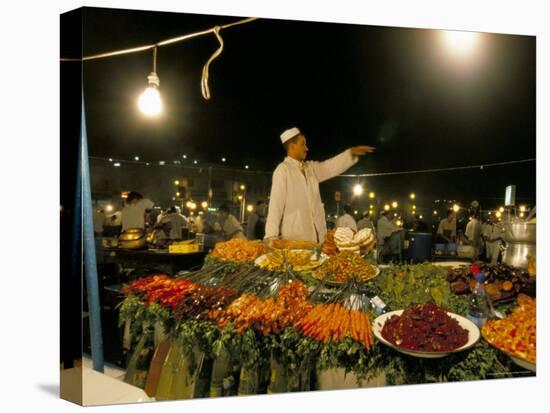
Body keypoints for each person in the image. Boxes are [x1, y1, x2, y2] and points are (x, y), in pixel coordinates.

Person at [264, 127, 375, 243]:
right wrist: (271, 237)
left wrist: (350, 153)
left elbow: (330, 167)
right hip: (294, 243)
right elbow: (275, 207)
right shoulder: (282, 171)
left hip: (318, 240)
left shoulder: (311, 168)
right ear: (292, 147)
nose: (306, 148)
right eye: (303, 144)